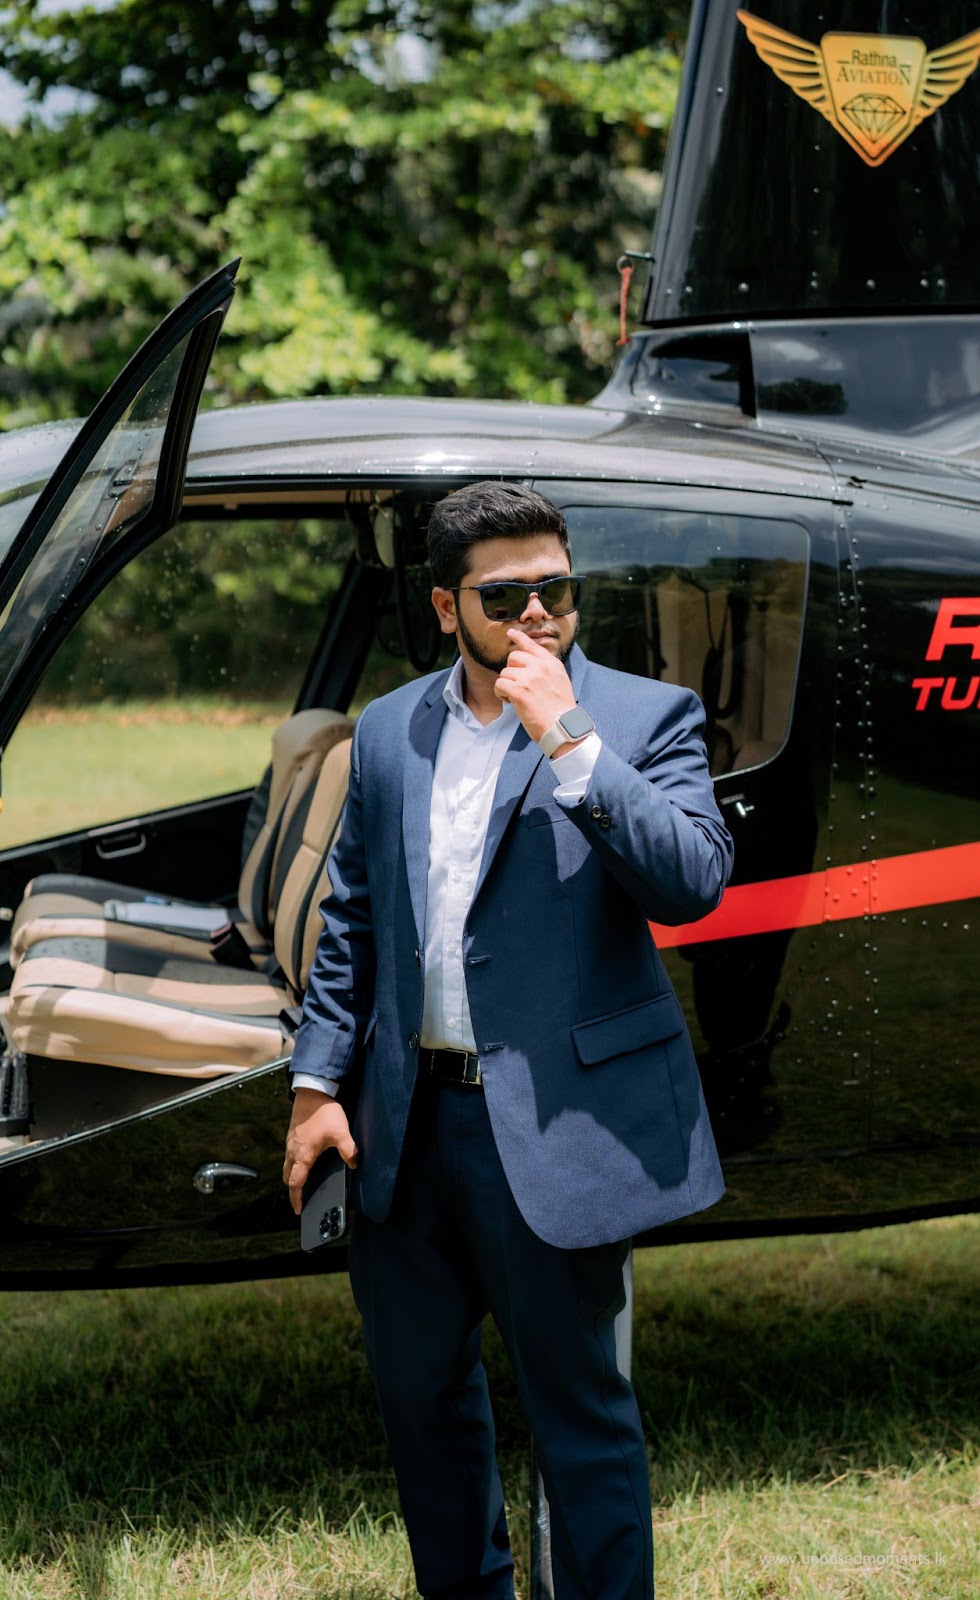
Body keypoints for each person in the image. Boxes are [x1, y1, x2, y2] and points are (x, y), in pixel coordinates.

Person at [283, 481, 733, 1599]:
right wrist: (314, 1080)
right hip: (404, 1127)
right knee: (422, 1407)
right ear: (445, 606)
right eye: (504, 595)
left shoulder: (642, 715)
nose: (536, 614)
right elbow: (352, 916)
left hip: (553, 1126)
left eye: (555, 588)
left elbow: (691, 884)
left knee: (580, 1419)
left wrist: (566, 739)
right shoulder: (388, 728)